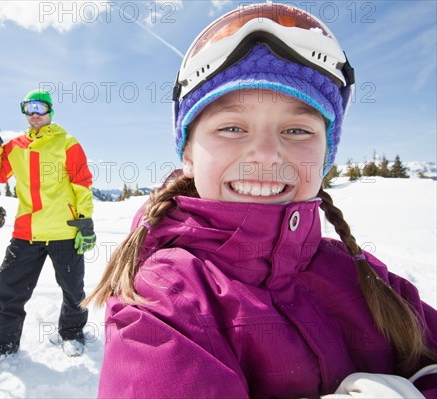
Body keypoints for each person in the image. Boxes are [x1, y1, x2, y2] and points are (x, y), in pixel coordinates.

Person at [84, 3, 437, 397]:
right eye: (232, 127)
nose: (267, 154)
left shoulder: (365, 277)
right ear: (188, 155)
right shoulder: (166, 299)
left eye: (297, 130)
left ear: (326, 156)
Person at [0, 89, 96, 365]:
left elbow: (81, 184)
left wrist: (84, 222)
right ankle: (2, 343)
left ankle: (72, 333)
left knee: (73, 290)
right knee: (9, 289)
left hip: (64, 230)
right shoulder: (16, 146)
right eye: (29, 108)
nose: (34, 114)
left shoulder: (67, 143)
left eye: (40, 108)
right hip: (26, 232)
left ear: (50, 111)